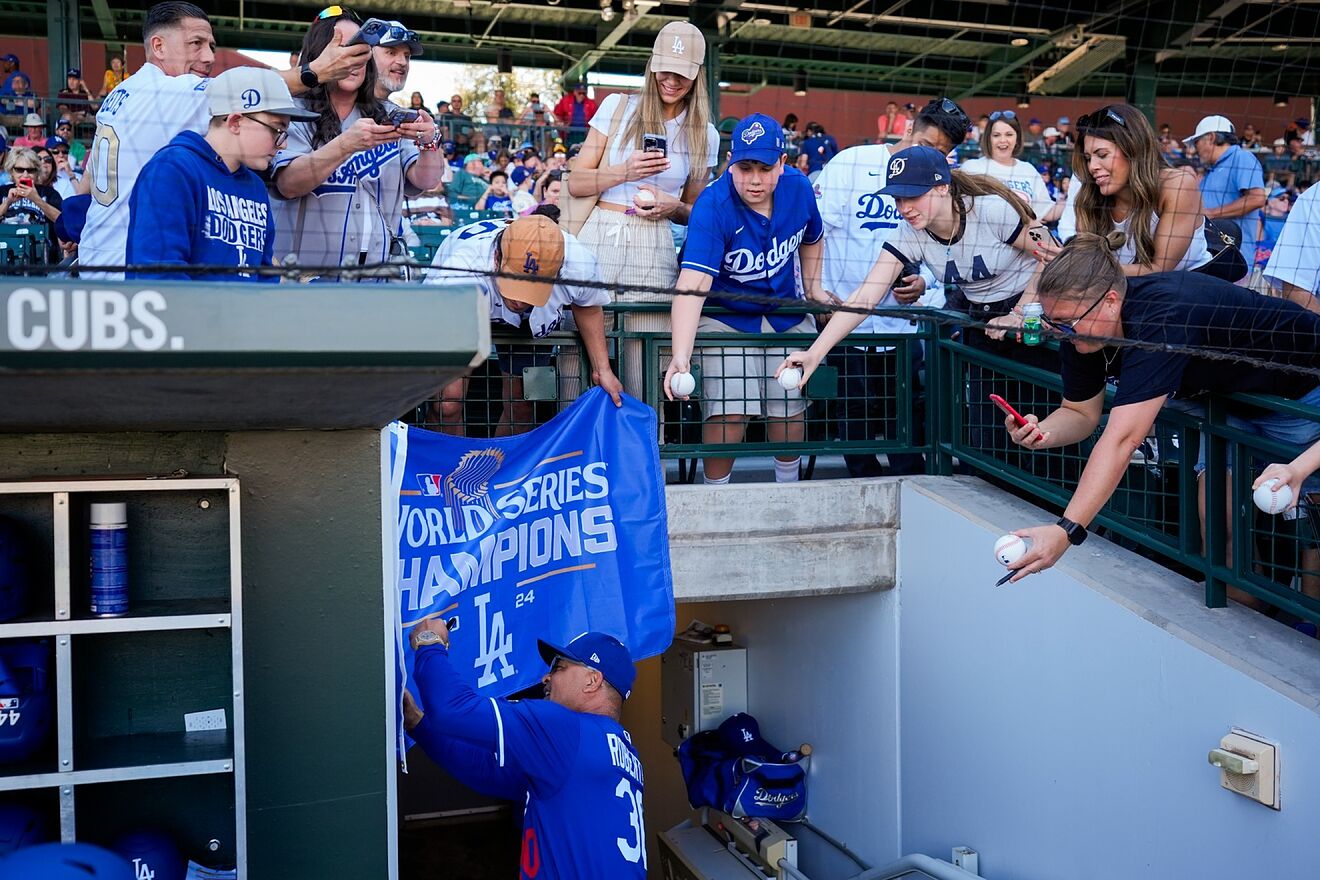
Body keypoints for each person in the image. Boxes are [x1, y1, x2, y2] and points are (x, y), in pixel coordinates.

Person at [998, 232, 1320, 605]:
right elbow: (1080, 413)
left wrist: (1067, 530)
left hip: (1300, 391)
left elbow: (1123, 439)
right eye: (1054, 323)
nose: (1061, 333)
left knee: (1312, 530)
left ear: (1111, 302)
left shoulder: (1163, 315)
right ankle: (1249, 625)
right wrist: (1042, 432)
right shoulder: (1081, 330)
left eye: (1068, 323)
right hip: (1229, 404)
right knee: (1219, 527)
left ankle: (1306, 632)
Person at [780, 144, 1057, 468]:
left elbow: (1053, 255)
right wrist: (815, 352)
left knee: (1044, 420)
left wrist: (1021, 311)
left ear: (942, 187)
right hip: (984, 320)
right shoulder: (910, 233)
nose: (904, 207)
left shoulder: (991, 208)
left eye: (913, 195)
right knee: (988, 435)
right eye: (898, 198)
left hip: (1035, 311)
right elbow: (865, 297)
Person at [79, 1, 372, 279]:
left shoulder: (122, 94)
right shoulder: (169, 92)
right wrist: (316, 71)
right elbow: (245, 89)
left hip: (98, 253)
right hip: (127, 271)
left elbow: (91, 174)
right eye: (196, 43)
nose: (208, 56)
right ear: (158, 46)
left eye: (211, 46)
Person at [403, 621, 644, 880]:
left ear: (592, 680)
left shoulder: (568, 731)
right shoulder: (622, 751)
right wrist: (418, 724)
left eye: (560, 668)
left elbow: (452, 708)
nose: (546, 678)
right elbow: (487, 770)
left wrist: (429, 641)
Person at [664, 113, 828, 485]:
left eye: (765, 168)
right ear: (730, 162)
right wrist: (681, 354)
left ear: (783, 164)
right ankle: (714, 497)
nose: (755, 179)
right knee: (730, 409)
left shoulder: (799, 189)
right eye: (745, 167)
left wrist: (814, 288)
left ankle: (789, 493)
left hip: (784, 312)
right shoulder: (713, 203)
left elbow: (814, 237)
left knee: (788, 406)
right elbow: (692, 283)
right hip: (726, 316)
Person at [812, 97, 971, 478]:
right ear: (908, 128)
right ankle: (861, 483)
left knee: (903, 407)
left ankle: (910, 486)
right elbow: (815, 232)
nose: (934, 156)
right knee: (855, 409)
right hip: (846, 313)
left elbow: (944, 242)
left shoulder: (941, 182)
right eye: (929, 145)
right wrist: (813, 290)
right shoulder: (851, 162)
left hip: (899, 322)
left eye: (943, 152)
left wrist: (925, 280)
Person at [568, 20, 719, 400]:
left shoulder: (705, 134)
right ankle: (573, 455)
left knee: (646, 365)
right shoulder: (617, 106)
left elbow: (697, 215)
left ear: (697, 75)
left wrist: (673, 207)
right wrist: (624, 171)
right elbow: (576, 182)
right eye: (665, 69)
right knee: (574, 362)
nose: (671, 80)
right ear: (652, 65)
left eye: (682, 73)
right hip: (598, 231)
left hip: (653, 242)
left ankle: (649, 454)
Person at [271, 9, 443, 278]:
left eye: (363, 50)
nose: (356, 58)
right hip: (306, 283)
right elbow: (288, 184)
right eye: (346, 49)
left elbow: (425, 180)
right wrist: (345, 145)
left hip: (376, 279)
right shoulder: (292, 111)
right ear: (320, 54)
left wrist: (430, 140)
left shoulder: (389, 114)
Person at [422, 214, 622, 435]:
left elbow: (589, 306)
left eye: (531, 289)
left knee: (522, 406)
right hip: (461, 305)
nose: (520, 300)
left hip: (531, 321)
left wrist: (602, 369)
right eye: (515, 284)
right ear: (497, 257)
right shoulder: (460, 269)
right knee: (447, 403)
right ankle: (452, 467)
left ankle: (505, 469)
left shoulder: (578, 263)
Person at [126, 67, 314, 282]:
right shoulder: (172, 169)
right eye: (277, 130)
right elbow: (160, 275)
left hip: (243, 314)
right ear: (235, 122)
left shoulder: (255, 186)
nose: (284, 144)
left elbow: (263, 274)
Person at [1051, 104, 1215, 279]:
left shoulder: (1178, 184)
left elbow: (1159, 269)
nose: (1092, 167)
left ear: (1133, 149)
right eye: (1088, 158)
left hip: (1189, 287)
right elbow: (1090, 263)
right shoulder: (1089, 196)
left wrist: (1081, 268)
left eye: (1102, 154)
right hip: (1123, 290)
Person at [1186, 114, 1265, 269]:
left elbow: (1257, 199)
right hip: (1212, 257)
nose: (1195, 149)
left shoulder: (1242, 157)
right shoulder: (1211, 168)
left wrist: (1212, 213)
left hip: (1234, 260)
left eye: (1197, 142)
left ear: (1211, 138)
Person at [959, 109, 1063, 223]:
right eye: (996, 135)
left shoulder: (1028, 170)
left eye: (1009, 134)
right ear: (988, 138)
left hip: (1023, 238)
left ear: (1017, 138)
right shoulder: (972, 168)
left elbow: (1047, 212)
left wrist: (1073, 198)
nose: (1003, 140)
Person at [1263, 183, 1320, 315]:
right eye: (1281, 198)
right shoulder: (1312, 199)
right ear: (1270, 202)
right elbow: (1296, 292)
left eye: (1288, 198)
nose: (1286, 201)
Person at [0, 147, 64, 263]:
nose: (25, 174)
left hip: (42, 257)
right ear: (11, 171)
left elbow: (63, 220)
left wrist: (37, 200)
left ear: (37, 172)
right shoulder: (2, 192)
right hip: (5, 256)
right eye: (19, 169)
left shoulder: (49, 193)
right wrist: (7, 203)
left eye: (31, 170)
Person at [370, 19, 423, 105]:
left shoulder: (395, 114)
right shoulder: (344, 105)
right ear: (368, 55)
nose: (403, 62)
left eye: (407, 56)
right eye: (391, 53)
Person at [554, 82, 598, 147]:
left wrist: (591, 130)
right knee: (569, 151)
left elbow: (596, 119)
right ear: (575, 92)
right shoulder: (565, 100)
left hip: (584, 133)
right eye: (579, 93)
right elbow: (557, 114)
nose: (582, 95)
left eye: (584, 93)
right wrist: (561, 123)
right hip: (569, 133)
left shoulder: (591, 103)